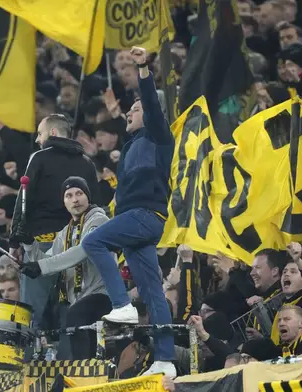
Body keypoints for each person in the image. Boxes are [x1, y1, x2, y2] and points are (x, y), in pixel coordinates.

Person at [81, 46, 176, 377]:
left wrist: (142, 69)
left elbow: (150, 105)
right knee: (153, 293)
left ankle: (121, 305)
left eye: (136, 110)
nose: (132, 112)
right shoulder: (132, 146)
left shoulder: (160, 137)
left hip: (144, 216)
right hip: (139, 220)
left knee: (92, 242)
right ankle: (165, 360)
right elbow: (127, 121)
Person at [9, 112, 100, 328]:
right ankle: (70, 360)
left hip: (43, 244)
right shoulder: (87, 164)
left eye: (40, 134)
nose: (38, 140)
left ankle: (26, 360)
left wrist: (14, 241)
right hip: (76, 249)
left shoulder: (39, 157)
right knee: (70, 312)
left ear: (52, 132)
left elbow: (24, 199)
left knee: (30, 313)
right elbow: (96, 205)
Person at [22, 176, 111, 359]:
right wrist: (29, 244)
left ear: (88, 197)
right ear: (64, 202)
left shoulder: (99, 220)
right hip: (77, 302)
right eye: (68, 196)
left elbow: (83, 250)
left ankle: (84, 372)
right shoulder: (65, 232)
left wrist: (41, 266)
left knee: (75, 318)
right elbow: (50, 261)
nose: (75, 199)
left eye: (79, 193)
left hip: (102, 296)